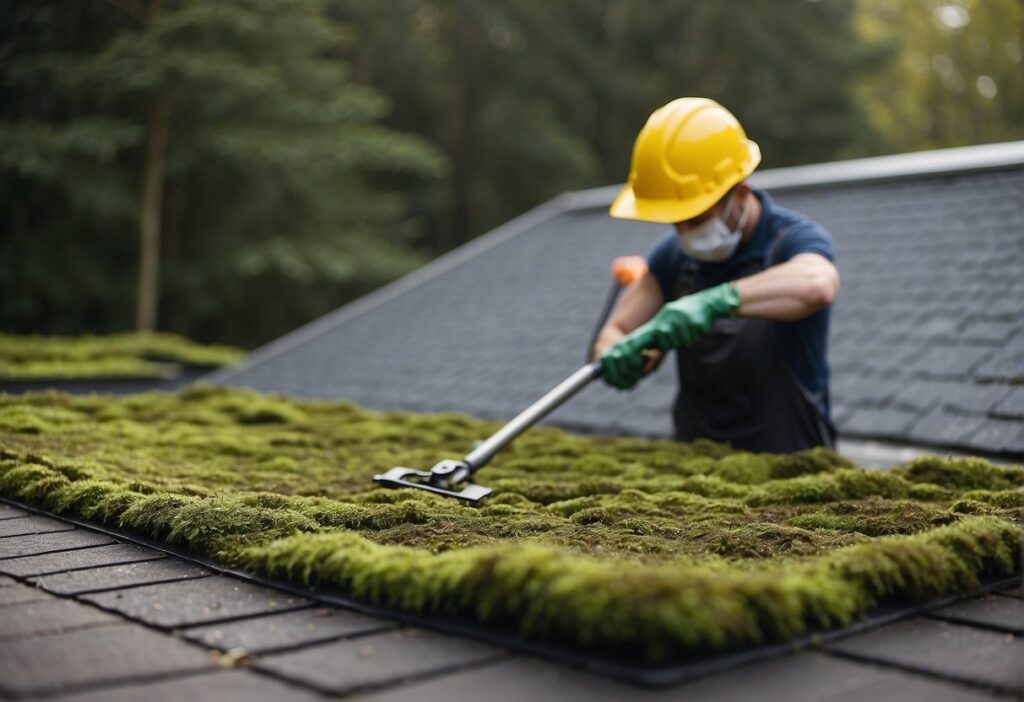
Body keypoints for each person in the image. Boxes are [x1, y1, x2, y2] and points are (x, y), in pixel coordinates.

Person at [593, 97, 840, 453]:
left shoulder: (792, 240)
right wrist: (618, 354)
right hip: (698, 469)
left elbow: (818, 283)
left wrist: (716, 301)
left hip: (794, 470)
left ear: (739, 193)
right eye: (675, 220)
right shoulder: (674, 257)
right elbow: (614, 331)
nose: (683, 232)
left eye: (695, 218)